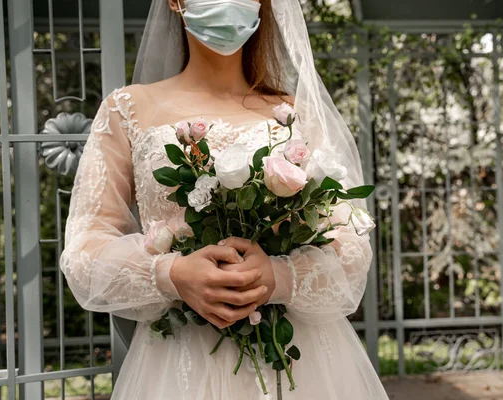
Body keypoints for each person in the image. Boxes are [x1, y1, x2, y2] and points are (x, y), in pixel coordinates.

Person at [59, 0, 389, 398]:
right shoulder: (127, 110)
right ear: (176, 2)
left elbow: (352, 248)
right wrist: (172, 274)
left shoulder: (297, 115)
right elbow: (83, 251)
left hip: (301, 365)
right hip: (178, 363)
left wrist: (279, 277)